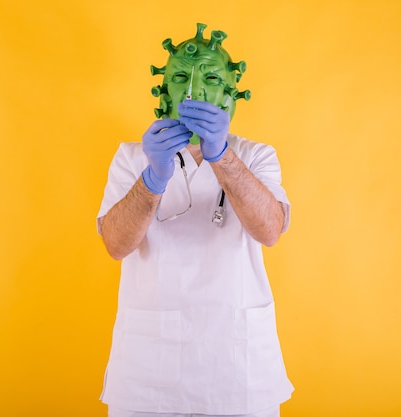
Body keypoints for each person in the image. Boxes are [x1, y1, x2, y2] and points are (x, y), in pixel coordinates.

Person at [97, 23, 293, 417]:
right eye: (181, 77)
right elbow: (116, 245)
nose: (194, 91)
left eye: (212, 77)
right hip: (148, 370)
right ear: (164, 89)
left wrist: (221, 156)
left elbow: (270, 231)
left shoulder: (256, 156)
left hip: (238, 367)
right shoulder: (132, 157)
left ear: (230, 92)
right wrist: (152, 176)